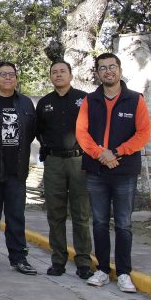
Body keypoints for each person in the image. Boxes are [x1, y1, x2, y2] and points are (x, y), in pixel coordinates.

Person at [76, 53, 151, 293]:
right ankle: (102, 270)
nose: (108, 71)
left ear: (119, 69)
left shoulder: (135, 99)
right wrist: (100, 154)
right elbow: (82, 133)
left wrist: (116, 152)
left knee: (123, 224)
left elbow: (143, 134)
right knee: (98, 222)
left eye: (112, 67)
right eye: (102, 68)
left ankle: (124, 272)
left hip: (124, 172)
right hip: (96, 171)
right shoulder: (90, 100)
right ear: (97, 73)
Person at [36, 60, 92, 279]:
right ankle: (58, 260)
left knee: (80, 213)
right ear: (50, 77)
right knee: (55, 214)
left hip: (79, 161)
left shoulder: (85, 99)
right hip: (54, 162)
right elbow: (38, 131)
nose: (58, 75)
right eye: (54, 72)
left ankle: (84, 262)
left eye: (62, 71)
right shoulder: (44, 103)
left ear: (70, 75)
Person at [0, 62, 37, 275]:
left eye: (11, 74)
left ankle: (19, 258)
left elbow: (32, 131)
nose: (7, 78)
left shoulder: (25, 102)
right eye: (3, 74)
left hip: (17, 171)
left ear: (16, 78)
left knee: (16, 216)